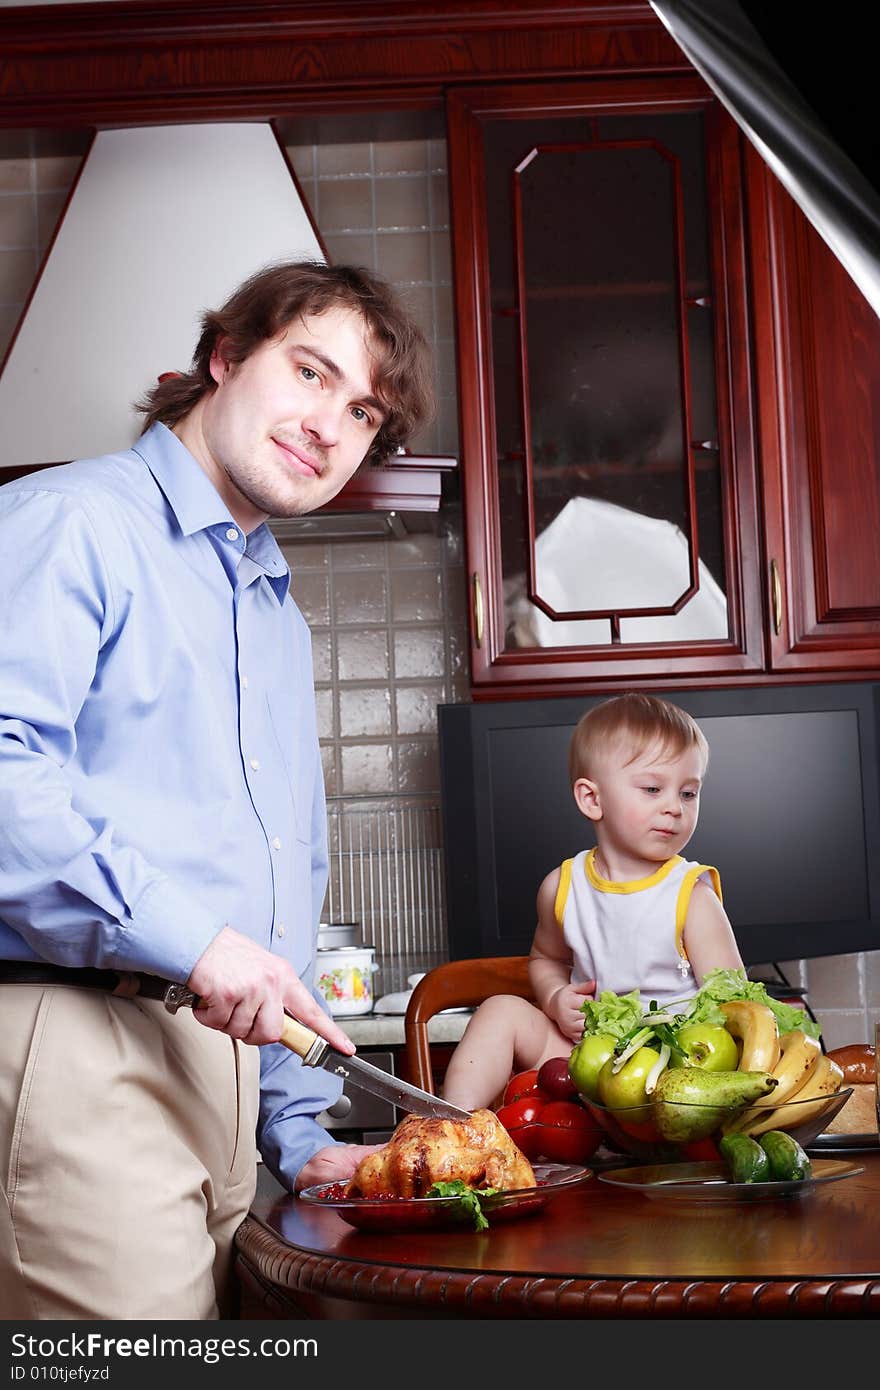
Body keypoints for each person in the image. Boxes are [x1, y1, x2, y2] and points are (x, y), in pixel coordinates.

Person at [0, 260, 434, 1320]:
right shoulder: (69, 521)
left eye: (363, 410)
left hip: (226, 1081)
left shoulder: (275, 612)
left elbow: (274, 893)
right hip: (79, 1047)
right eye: (309, 371)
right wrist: (194, 941)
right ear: (225, 357)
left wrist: (297, 1126)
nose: (329, 424)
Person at [441, 692, 744, 1110]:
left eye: (689, 793)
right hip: (585, 1063)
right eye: (654, 788)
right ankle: (449, 1128)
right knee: (500, 1011)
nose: (674, 807)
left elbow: (733, 1004)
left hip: (670, 1080)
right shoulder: (562, 887)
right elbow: (545, 960)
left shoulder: (691, 895)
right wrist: (554, 999)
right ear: (592, 799)